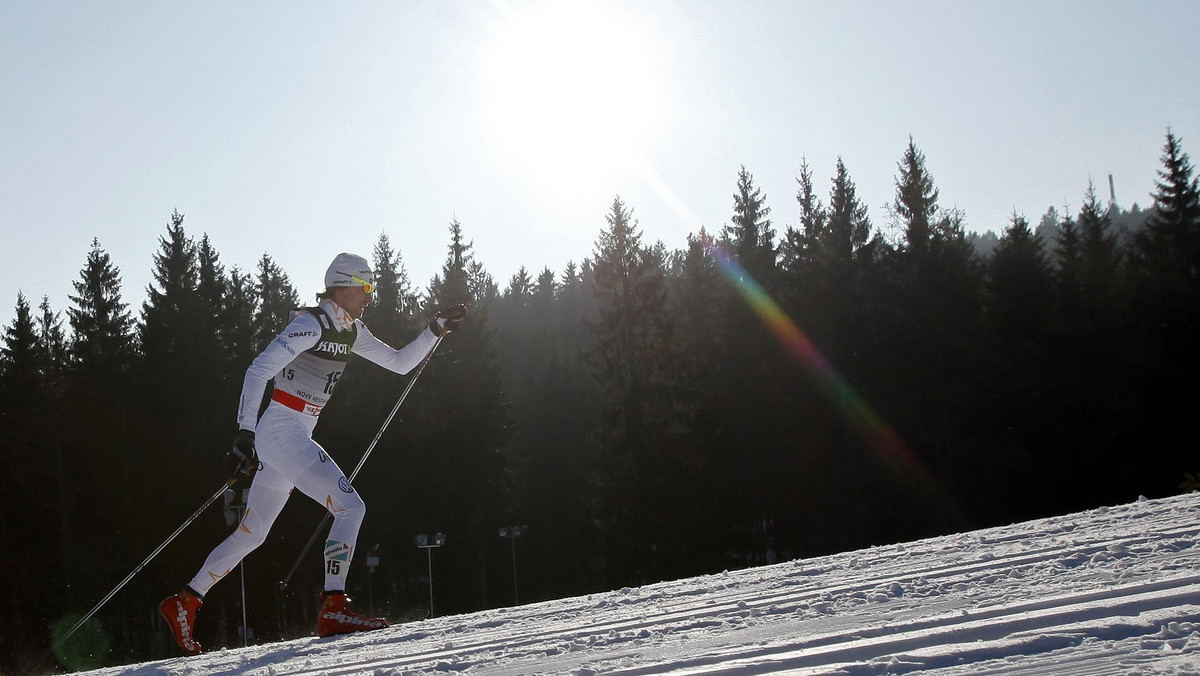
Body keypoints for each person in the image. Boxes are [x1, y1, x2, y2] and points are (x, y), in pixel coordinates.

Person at [159, 252, 466, 653]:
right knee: (350, 508)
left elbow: (398, 363)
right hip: (282, 430)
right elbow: (258, 370)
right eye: (366, 288)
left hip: (293, 432)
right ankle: (333, 606)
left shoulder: (351, 330)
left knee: (253, 533)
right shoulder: (311, 324)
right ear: (343, 286)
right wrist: (245, 433)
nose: (370, 297)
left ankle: (184, 601)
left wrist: (434, 329)